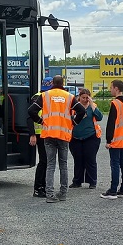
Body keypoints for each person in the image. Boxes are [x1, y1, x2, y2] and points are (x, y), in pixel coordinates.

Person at [27, 75, 85, 203]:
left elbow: (31, 111)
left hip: (49, 134)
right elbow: (81, 111)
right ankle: (63, 193)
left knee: (50, 165)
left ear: (52, 83)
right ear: (63, 83)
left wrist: (41, 121)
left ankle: (49, 194)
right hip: (63, 135)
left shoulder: (45, 95)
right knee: (63, 165)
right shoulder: (69, 97)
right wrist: (73, 123)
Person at [101, 79, 123, 199]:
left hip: (116, 138)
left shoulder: (115, 103)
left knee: (115, 164)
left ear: (116, 88)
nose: (110, 90)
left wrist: (109, 140)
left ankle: (113, 190)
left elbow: (111, 123)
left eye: (111, 87)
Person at [69, 88, 102, 189]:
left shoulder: (93, 107)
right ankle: (77, 181)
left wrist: (92, 105)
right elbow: (69, 119)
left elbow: (99, 117)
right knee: (78, 159)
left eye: (87, 98)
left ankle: (92, 181)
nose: (85, 100)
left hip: (91, 136)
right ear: (79, 97)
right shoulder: (74, 108)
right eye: (83, 97)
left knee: (90, 159)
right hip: (76, 137)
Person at [27, 77, 53, 197]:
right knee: (44, 161)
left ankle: (43, 186)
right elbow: (29, 117)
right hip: (40, 133)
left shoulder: (43, 96)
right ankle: (38, 188)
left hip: (46, 133)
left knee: (46, 161)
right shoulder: (38, 97)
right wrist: (32, 134)